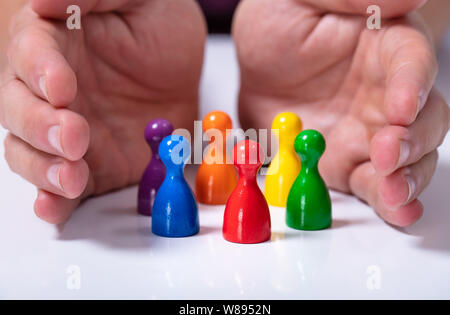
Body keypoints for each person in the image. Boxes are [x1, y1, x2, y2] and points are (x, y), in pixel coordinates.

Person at [0, 0, 449, 227]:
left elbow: (421, 3)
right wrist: (34, 27)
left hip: (322, 51)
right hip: (120, 44)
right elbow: (31, 6)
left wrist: (394, 26)